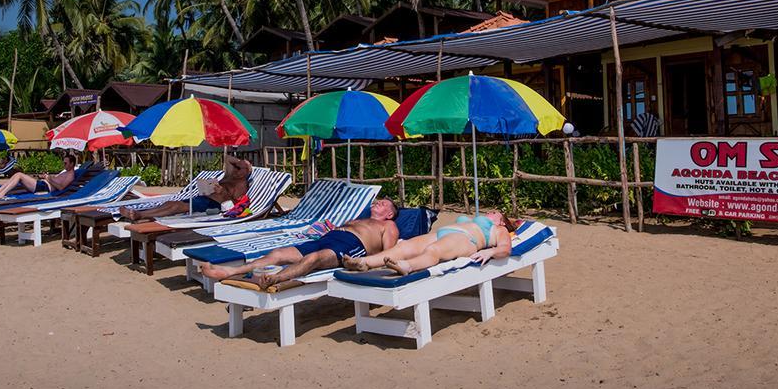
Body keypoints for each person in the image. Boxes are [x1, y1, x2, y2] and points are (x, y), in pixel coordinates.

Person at [199, 199, 400, 288]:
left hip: (351, 246)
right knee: (277, 254)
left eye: (382, 204)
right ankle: (230, 272)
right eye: (376, 202)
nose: (376, 203)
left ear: (390, 213)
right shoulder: (358, 219)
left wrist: (364, 262)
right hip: (328, 239)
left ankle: (275, 279)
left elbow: (388, 253)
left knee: (313, 259)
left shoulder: (389, 226)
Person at [341, 209, 515, 275]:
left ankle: (407, 266)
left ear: (501, 221)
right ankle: (364, 262)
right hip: (444, 233)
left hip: (465, 240)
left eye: (495, 213)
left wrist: (489, 252)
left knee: (434, 250)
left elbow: (506, 249)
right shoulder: (472, 219)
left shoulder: (498, 230)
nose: (490, 211)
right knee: (404, 246)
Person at [122, 153, 253, 219]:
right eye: (236, 166)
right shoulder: (231, 174)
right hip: (204, 198)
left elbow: (236, 203)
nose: (235, 169)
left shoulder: (242, 184)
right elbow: (227, 157)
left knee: (177, 206)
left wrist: (222, 192)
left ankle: (140, 215)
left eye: (239, 168)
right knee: (170, 202)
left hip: (213, 205)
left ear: (246, 172)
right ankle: (141, 213)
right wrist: (240, 163)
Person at [0, 153, 77, 202]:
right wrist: (46, 176)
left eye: (66, 163)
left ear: (72, 163)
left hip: (44, 188)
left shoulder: (70, 175)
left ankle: (0, 194)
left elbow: (61, 188)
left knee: (19, 175)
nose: (64, 165)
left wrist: (48, 178)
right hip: (42, 184)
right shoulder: (65, 172)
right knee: (16, 175)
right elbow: (55, 180)